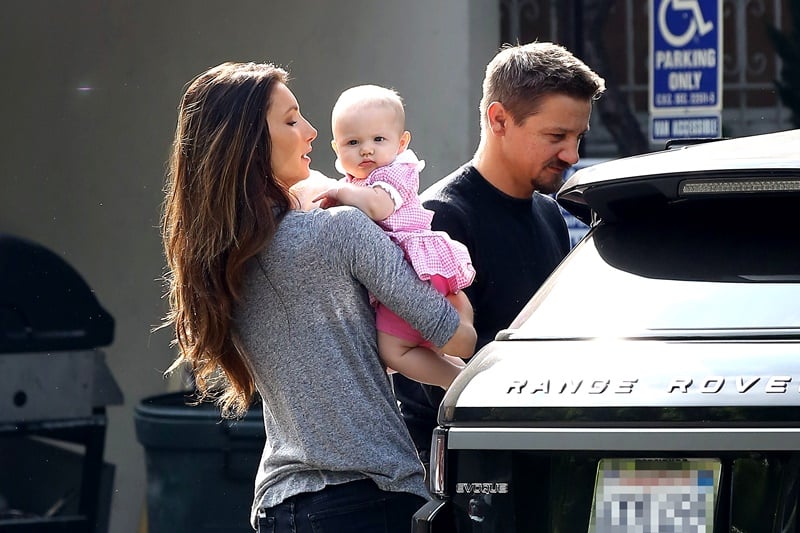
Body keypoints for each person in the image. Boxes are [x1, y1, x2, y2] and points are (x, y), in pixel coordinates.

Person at [160, 62, 476, 533]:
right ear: (248, 144)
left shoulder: (220, 260)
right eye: (290, 120)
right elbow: (458, 340)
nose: (310, 132)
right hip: (367, 496)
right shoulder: (338, 231)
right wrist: (456, 290)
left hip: (276, 506)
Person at [393, 41, 607, 462]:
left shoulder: (549, 213)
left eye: (578, 137)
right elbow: (426, 377)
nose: (572, 155)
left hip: (536, 455)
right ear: (499, 120)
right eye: (556, 136)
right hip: (458, 471)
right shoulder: (439, 221)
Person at [313, 85, 476, 390]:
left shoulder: (395, 173)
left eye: (378, 139)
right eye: (353, 142)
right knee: (420, 345)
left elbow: (378, 206)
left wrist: (339, 193)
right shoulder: (356, 182)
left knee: (393, 350)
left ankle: (454, 383)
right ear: (336, 148)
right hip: (405, 271)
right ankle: (461, 370)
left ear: (401, 143)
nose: (366, 149)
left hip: (415, 265)